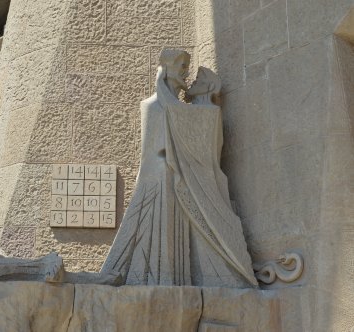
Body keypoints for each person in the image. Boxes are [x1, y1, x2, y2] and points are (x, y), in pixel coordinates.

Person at [101, 49, 258, 288]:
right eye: (182, 66)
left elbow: (207, 153)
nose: (186, 72)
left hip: (180, 185)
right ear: (167, 69)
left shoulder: (192, 111)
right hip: (159, 186)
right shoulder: (153, 107)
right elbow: (151, 158)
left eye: (188, 66)